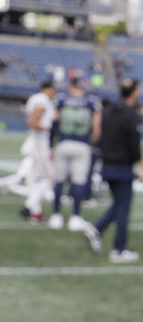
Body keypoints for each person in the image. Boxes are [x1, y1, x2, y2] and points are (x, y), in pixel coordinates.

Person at [84, 78, 143, 263]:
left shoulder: (108, 111)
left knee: (119, 204)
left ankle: (96, 230)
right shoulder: (130, 114)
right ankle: (119, 250)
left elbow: (100, 136)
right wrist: (142, 167)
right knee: (123, 210)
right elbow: (134, 145)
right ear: (134, 92)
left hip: (107, 165)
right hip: (122, 168)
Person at [49, 77, 102, 231]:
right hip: (82, 144)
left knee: (59, 180)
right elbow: (97, 127)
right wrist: (91, 141)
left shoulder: (62, 99)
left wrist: (51, 145)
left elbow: (54, 120)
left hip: (63, 142)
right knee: (79, 181)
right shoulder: (91, 101)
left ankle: (56, 215)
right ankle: (75, 217)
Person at [20, 80, 58, 224]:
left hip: (37, 141)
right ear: (47, 89)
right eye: (53, 90)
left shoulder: (36, 98)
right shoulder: (42, 100)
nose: (54, 93)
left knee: (38, 178)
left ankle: (35, 213)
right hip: (40, 142)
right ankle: (29, 206)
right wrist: (50, 129)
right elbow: (33, 122)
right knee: (49, 176)